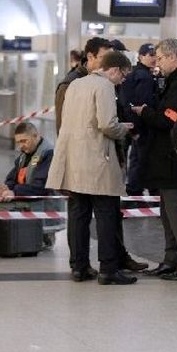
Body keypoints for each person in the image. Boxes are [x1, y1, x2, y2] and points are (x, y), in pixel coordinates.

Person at [46, 51, 138, 285]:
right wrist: (124, 129)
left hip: (73, 160)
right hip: (97, 160)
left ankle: (79, 267)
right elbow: (107, 124)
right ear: (115, 70)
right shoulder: (105, 86)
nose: (123, 81)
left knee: (78, 215)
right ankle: (108, 269)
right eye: (124, 76)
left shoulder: (75, 84)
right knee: (106, 215)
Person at [132, 39, 177, 281]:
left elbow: (170, 119)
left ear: (173, 57)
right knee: (166, 210)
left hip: (173, 157)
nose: (157, 63)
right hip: (166, 157)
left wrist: (145, 113)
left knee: (175, 210)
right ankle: (171, 259)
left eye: (160, 58)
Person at [0, 122, 64, 247]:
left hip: (42, 205)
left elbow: (40, 187)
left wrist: (14, 192)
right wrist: (5, 188)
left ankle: (46, 237)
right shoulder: (23, 156)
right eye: (18, 142)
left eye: (24, 141)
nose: (21, 146)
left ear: (35, 135)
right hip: (26, 199)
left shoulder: (49, 154)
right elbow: (12, 178)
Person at [119, 43, 159, 197]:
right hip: (143, 128)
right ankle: (138, 193)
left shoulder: (136, 74)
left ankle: (134, 192)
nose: (154, 58)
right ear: (141, 56)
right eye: (150, 55)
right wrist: (137, 129)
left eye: (155, 55)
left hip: (136, 127)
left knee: (136, 160)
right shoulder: (144, 77)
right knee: (142, 161)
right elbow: (141, 103)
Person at [55, 37, 112, 135]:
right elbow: (62, 124)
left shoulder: (107, 80)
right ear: (90, 57)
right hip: (79, 146)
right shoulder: (69, 83)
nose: (109, 63)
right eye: (104, 58)